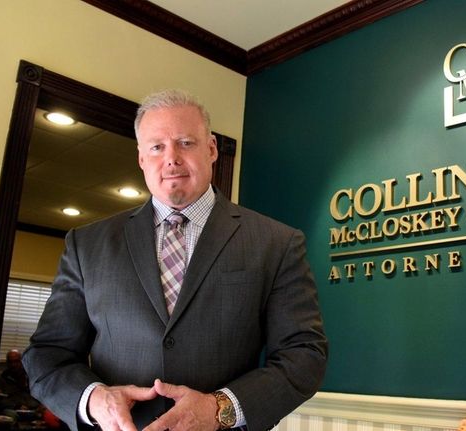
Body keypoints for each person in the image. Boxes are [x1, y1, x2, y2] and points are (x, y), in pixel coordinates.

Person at [23, 89, 328, 431]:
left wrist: (219, 408)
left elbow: (304, 355)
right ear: (141, 158)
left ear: (211, 148)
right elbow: (47, 353)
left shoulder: (277, 243)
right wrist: (95, 399)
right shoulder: (87, 244)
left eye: (185, 143)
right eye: (156, 147)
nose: (171, 159)